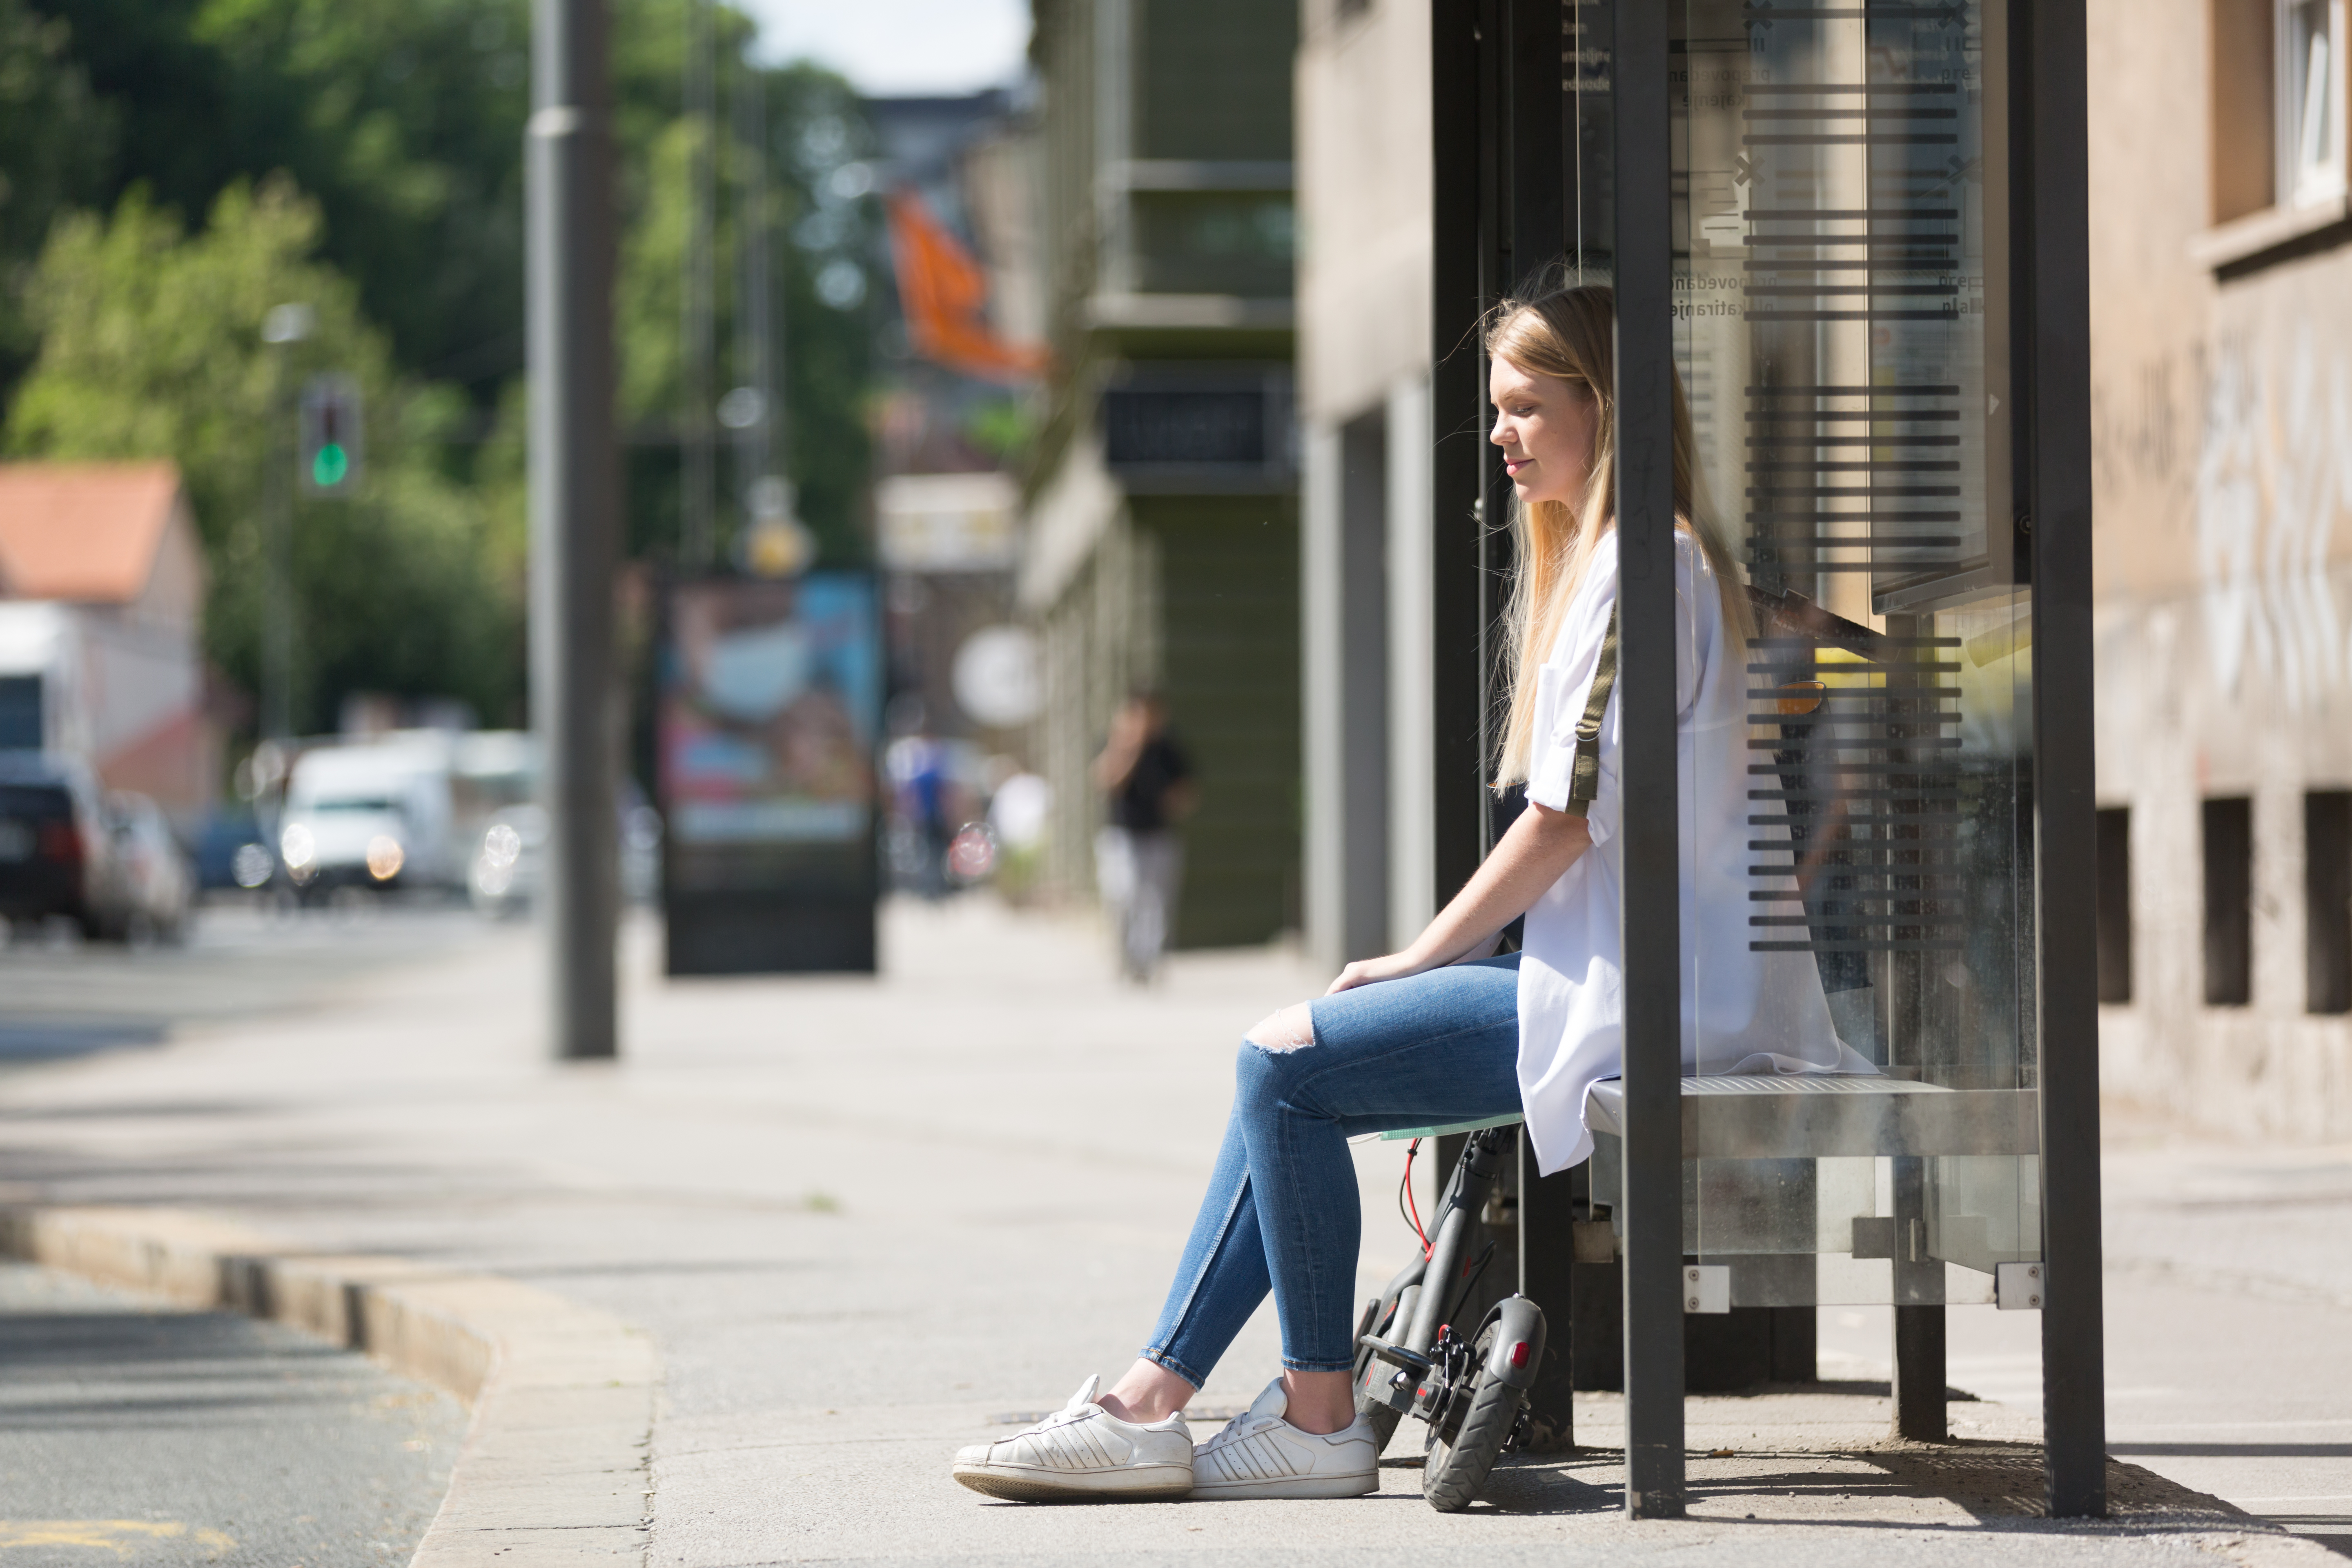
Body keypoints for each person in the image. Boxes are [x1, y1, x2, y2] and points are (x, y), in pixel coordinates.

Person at [953, 286, 1864, 1504]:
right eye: (1499, 409)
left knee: (1282, 1065)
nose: (1502, 435)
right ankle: (1154, 1397)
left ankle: (1312, 1411)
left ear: (1609, 408)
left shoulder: (1642, 565)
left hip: (1641, 1003)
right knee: (1281, 1062)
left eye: (1527, 407)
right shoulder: (1649, 558)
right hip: (1629, 979)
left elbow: (1561, 820)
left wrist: (1415, 955)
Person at [1091, 692, 1195, 982]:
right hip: (1121, 836)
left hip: (1159, 836)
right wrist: (1128, 747)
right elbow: (1105, 781)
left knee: (1157, 904)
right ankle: (1125, 958)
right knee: (1123, 898)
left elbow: (1185, 796)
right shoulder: (1117, 745)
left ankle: (1149, 964)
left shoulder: (1168, 751)